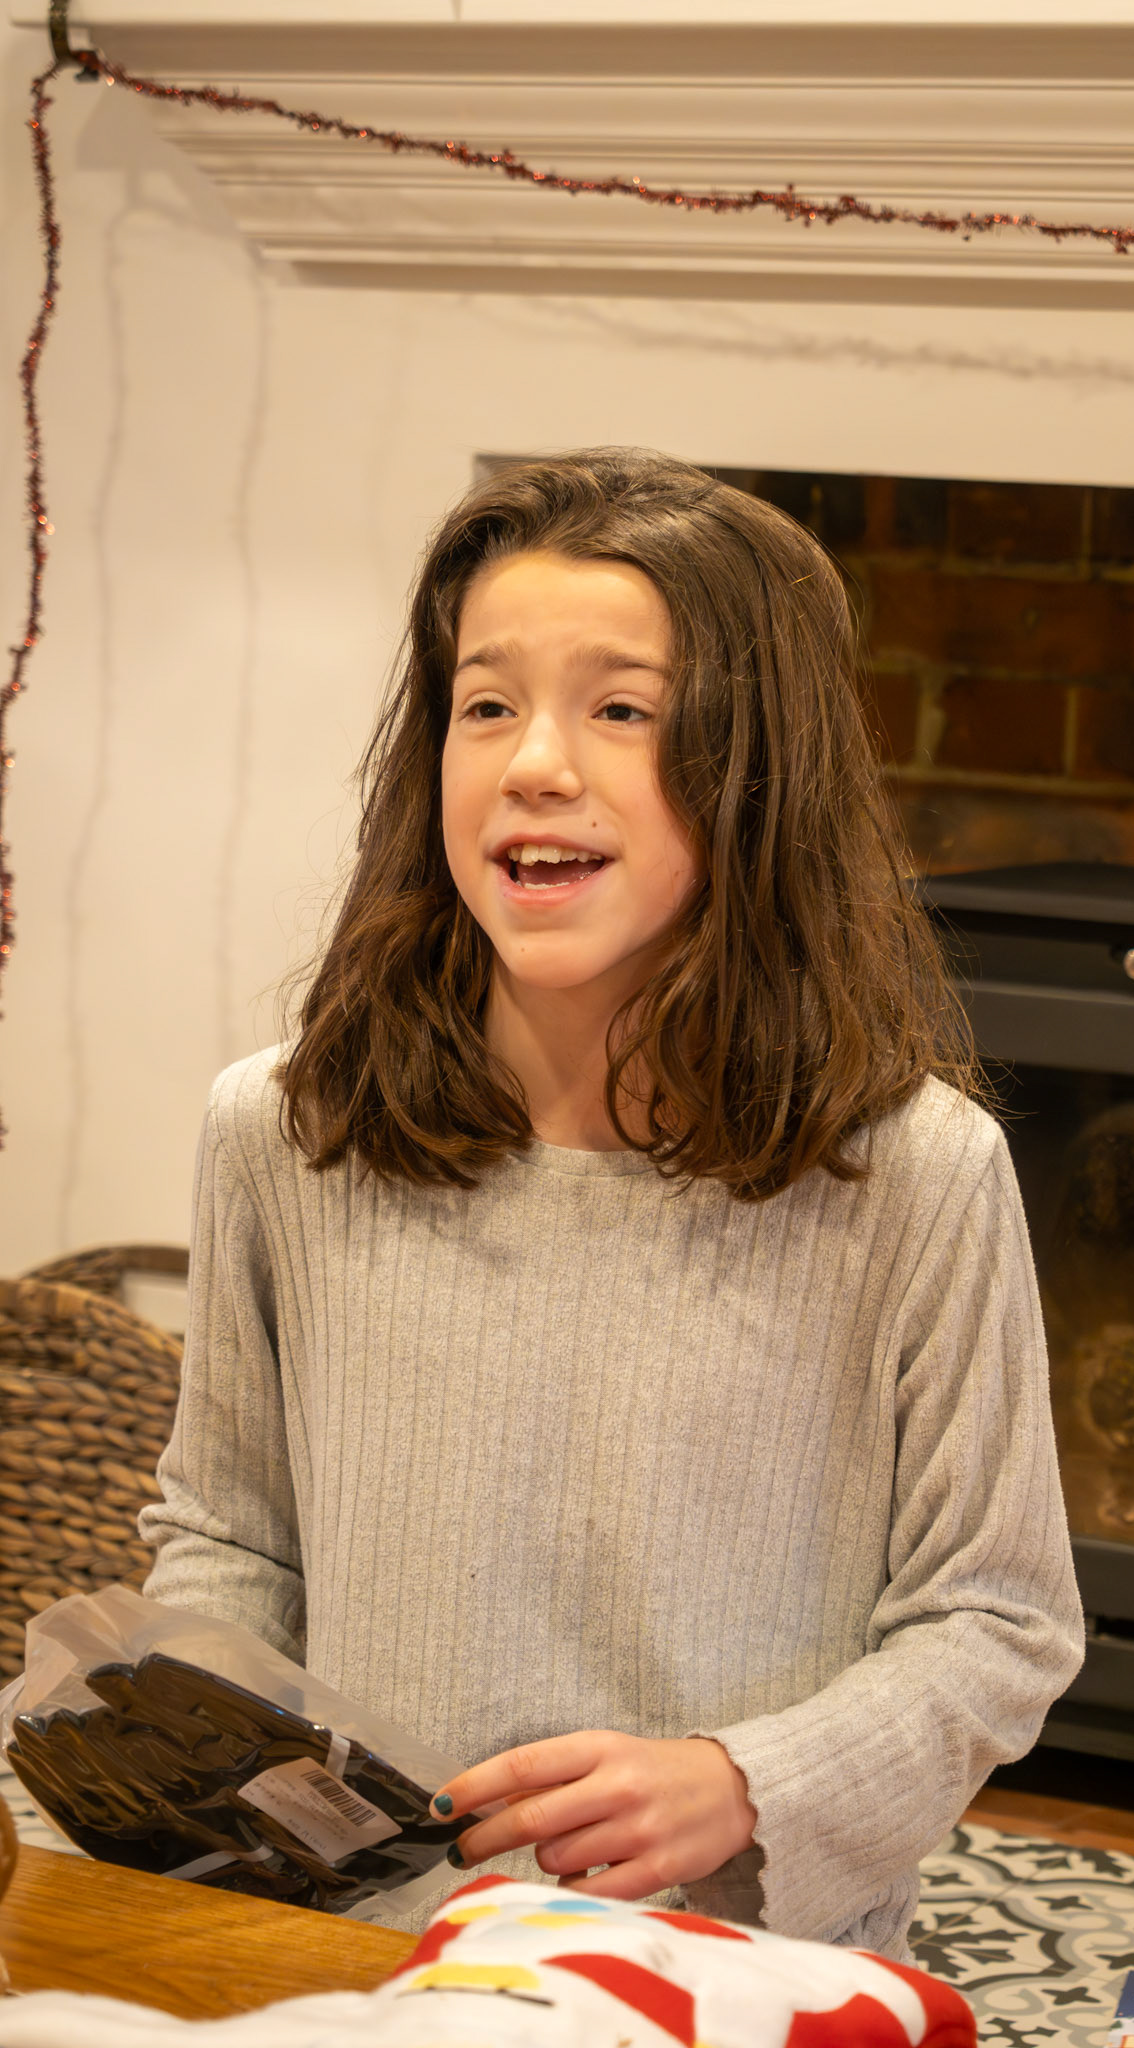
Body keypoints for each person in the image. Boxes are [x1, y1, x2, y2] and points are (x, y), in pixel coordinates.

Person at [141, 449, 1084, 1956]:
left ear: (759, 772)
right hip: (365, 1949)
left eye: (622, 711)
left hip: (733, 1970)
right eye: (487, 704)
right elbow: (232, 1538)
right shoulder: (282, 1133)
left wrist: (747, 1785)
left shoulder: (918, 1171)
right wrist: (207, 1752)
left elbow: (998, 1620)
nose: (534, 763)